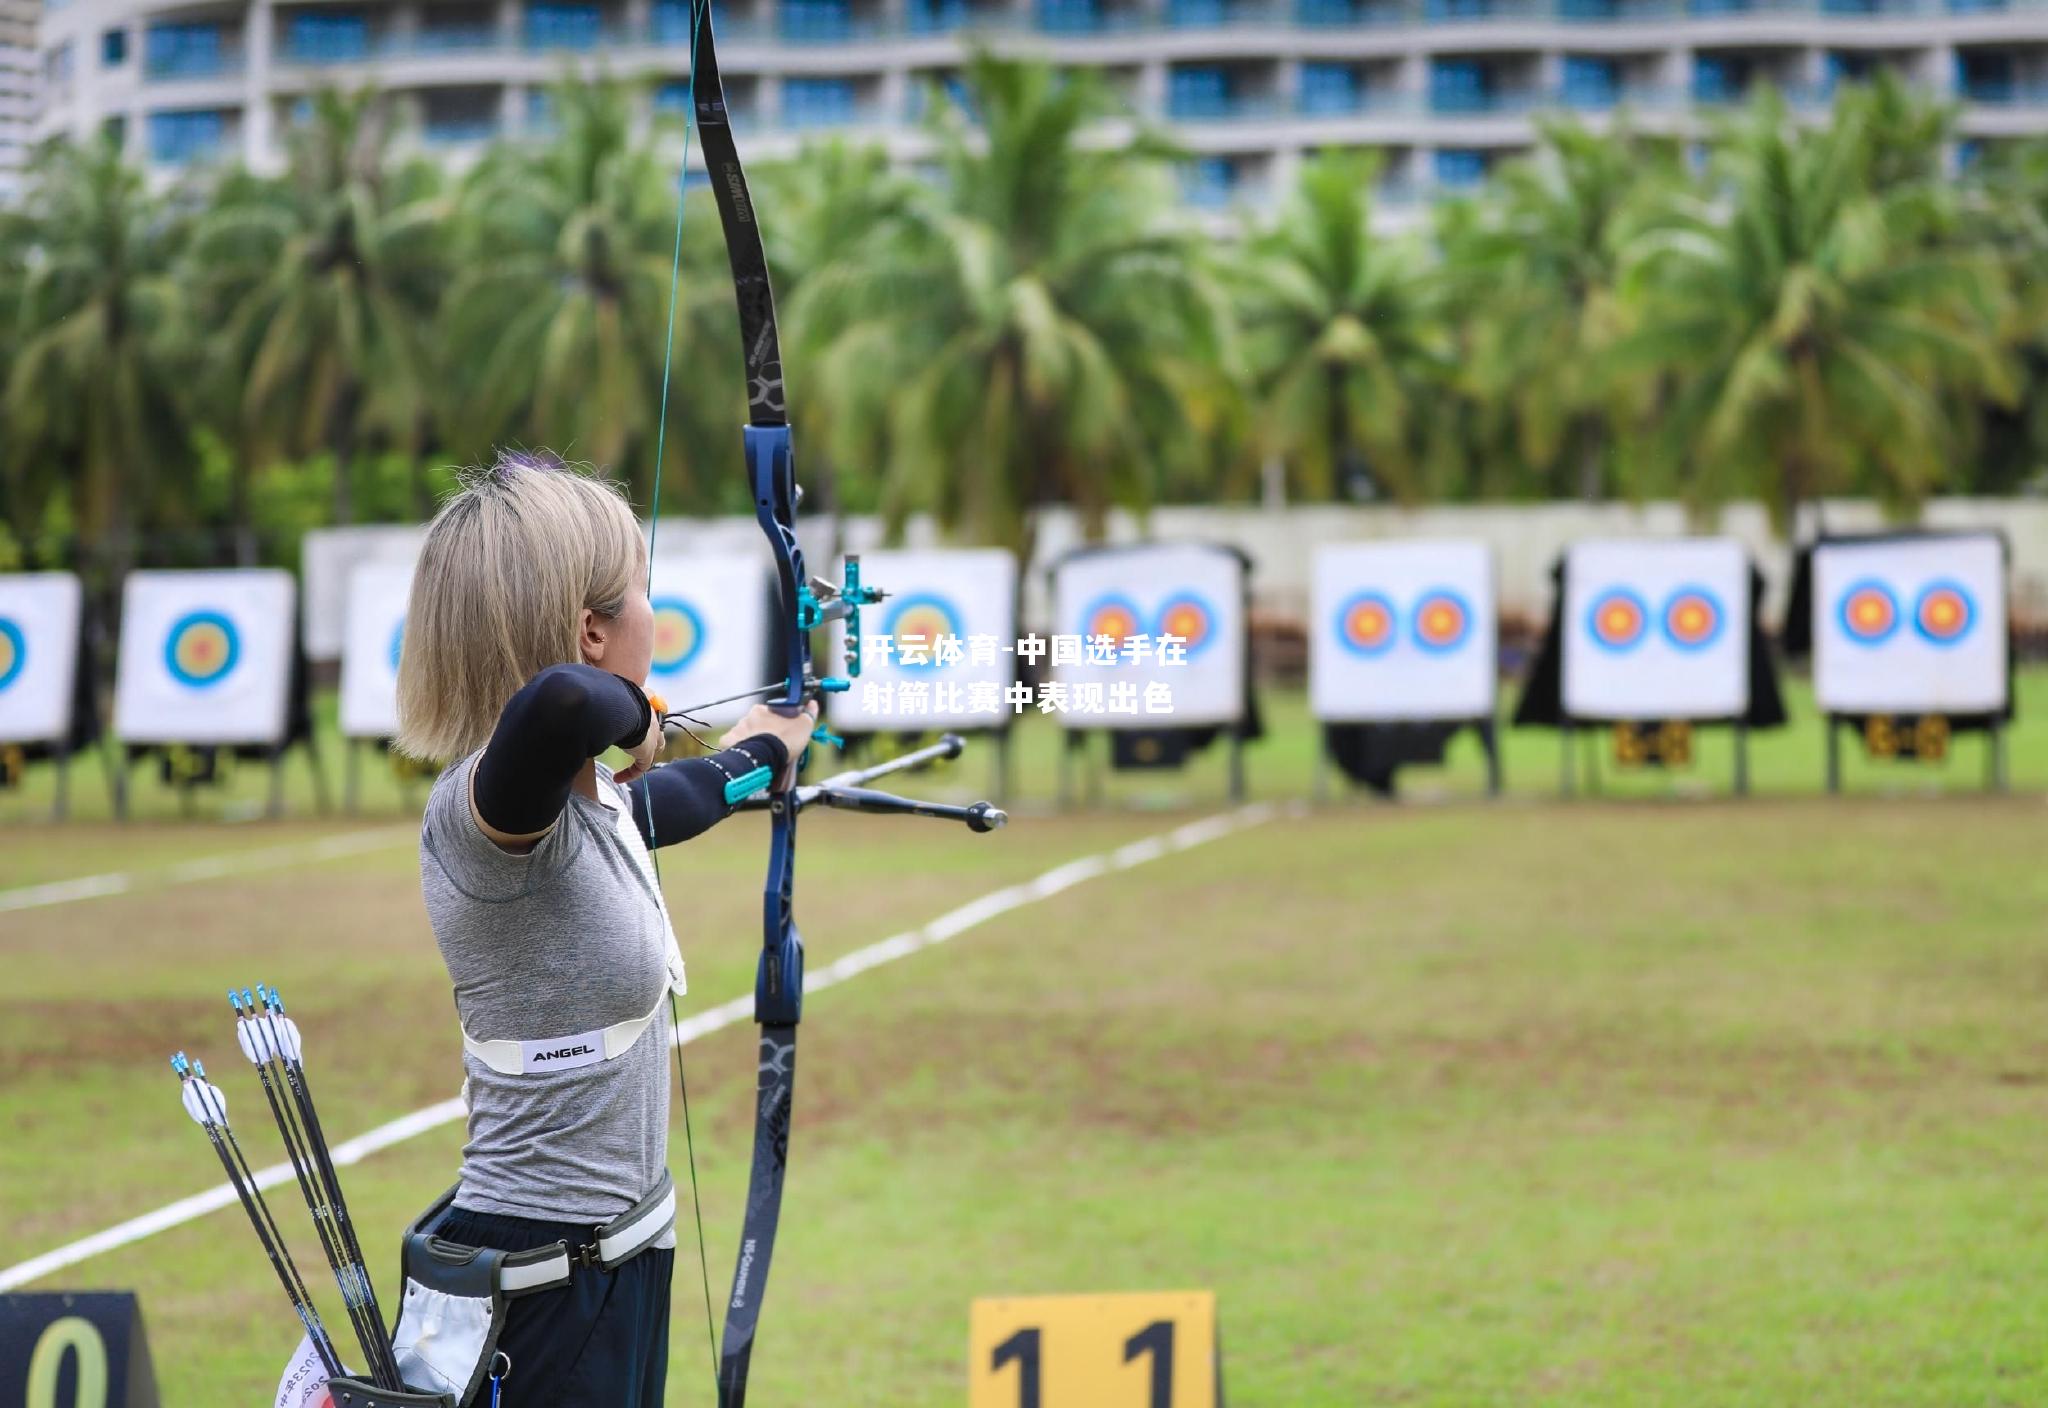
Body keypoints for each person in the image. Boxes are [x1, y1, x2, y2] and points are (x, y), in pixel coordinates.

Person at [392, 450, 816, 1405]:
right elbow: (560, 704)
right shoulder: (482, 816)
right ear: (591, 630)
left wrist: (763, 753)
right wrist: (637, 714)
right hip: (537, 1292)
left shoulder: (592, 812)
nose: (653, 614)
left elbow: (679, 796)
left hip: (622, 1263)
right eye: (642, 591)